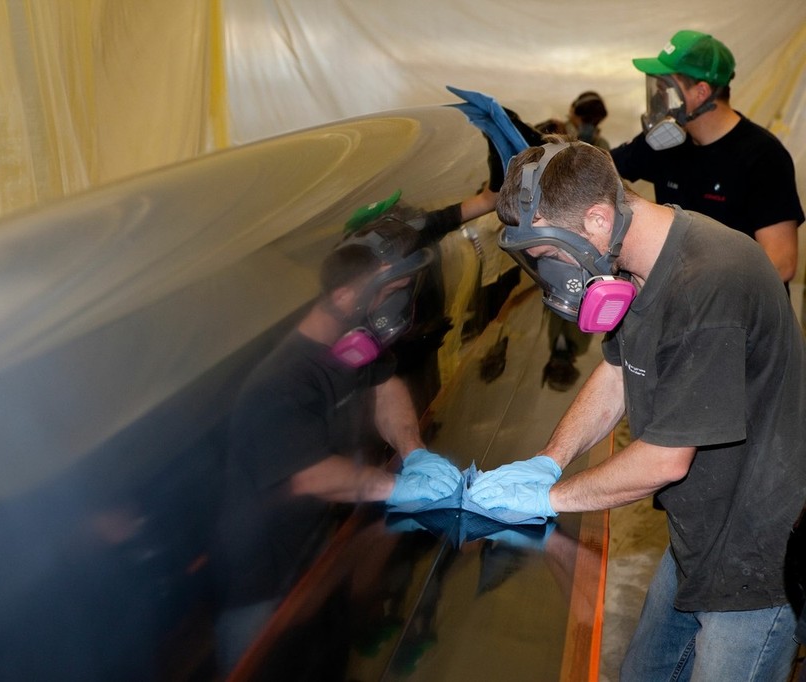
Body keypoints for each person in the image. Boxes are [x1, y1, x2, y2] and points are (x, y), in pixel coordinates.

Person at [468, 139, 806, 680]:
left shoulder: (709, 281)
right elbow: (617, 373)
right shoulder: (633, 263)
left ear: (599, 217)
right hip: (698, 530)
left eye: (551, 254)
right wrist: (547, 462)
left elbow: (665, 461)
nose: (552, 273)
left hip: (755, 553)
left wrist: (548, 498)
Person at [211, 219, 463, 674]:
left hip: (314, 558)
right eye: (392, 293)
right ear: (347, 297)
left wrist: (414, 451)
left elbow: (385, 385)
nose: (399, 305)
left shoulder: (352, 343)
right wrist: (397, 488)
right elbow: (313, 475)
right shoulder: (281, 382)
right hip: (263, 584)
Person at [610, 29, 804, 285]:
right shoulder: (664, 144)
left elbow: (781, 264)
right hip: (681, 302)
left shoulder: (763, 156)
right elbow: (598, 167)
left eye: (665, 88)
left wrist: (704, 292)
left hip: (737, 312)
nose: (659, 99)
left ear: (701, 92)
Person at [536, 91, 611, 149]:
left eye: (595, 122)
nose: (589, 126)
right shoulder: (551, 130)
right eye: (586, 120)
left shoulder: (600, 145)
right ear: (572, 111)